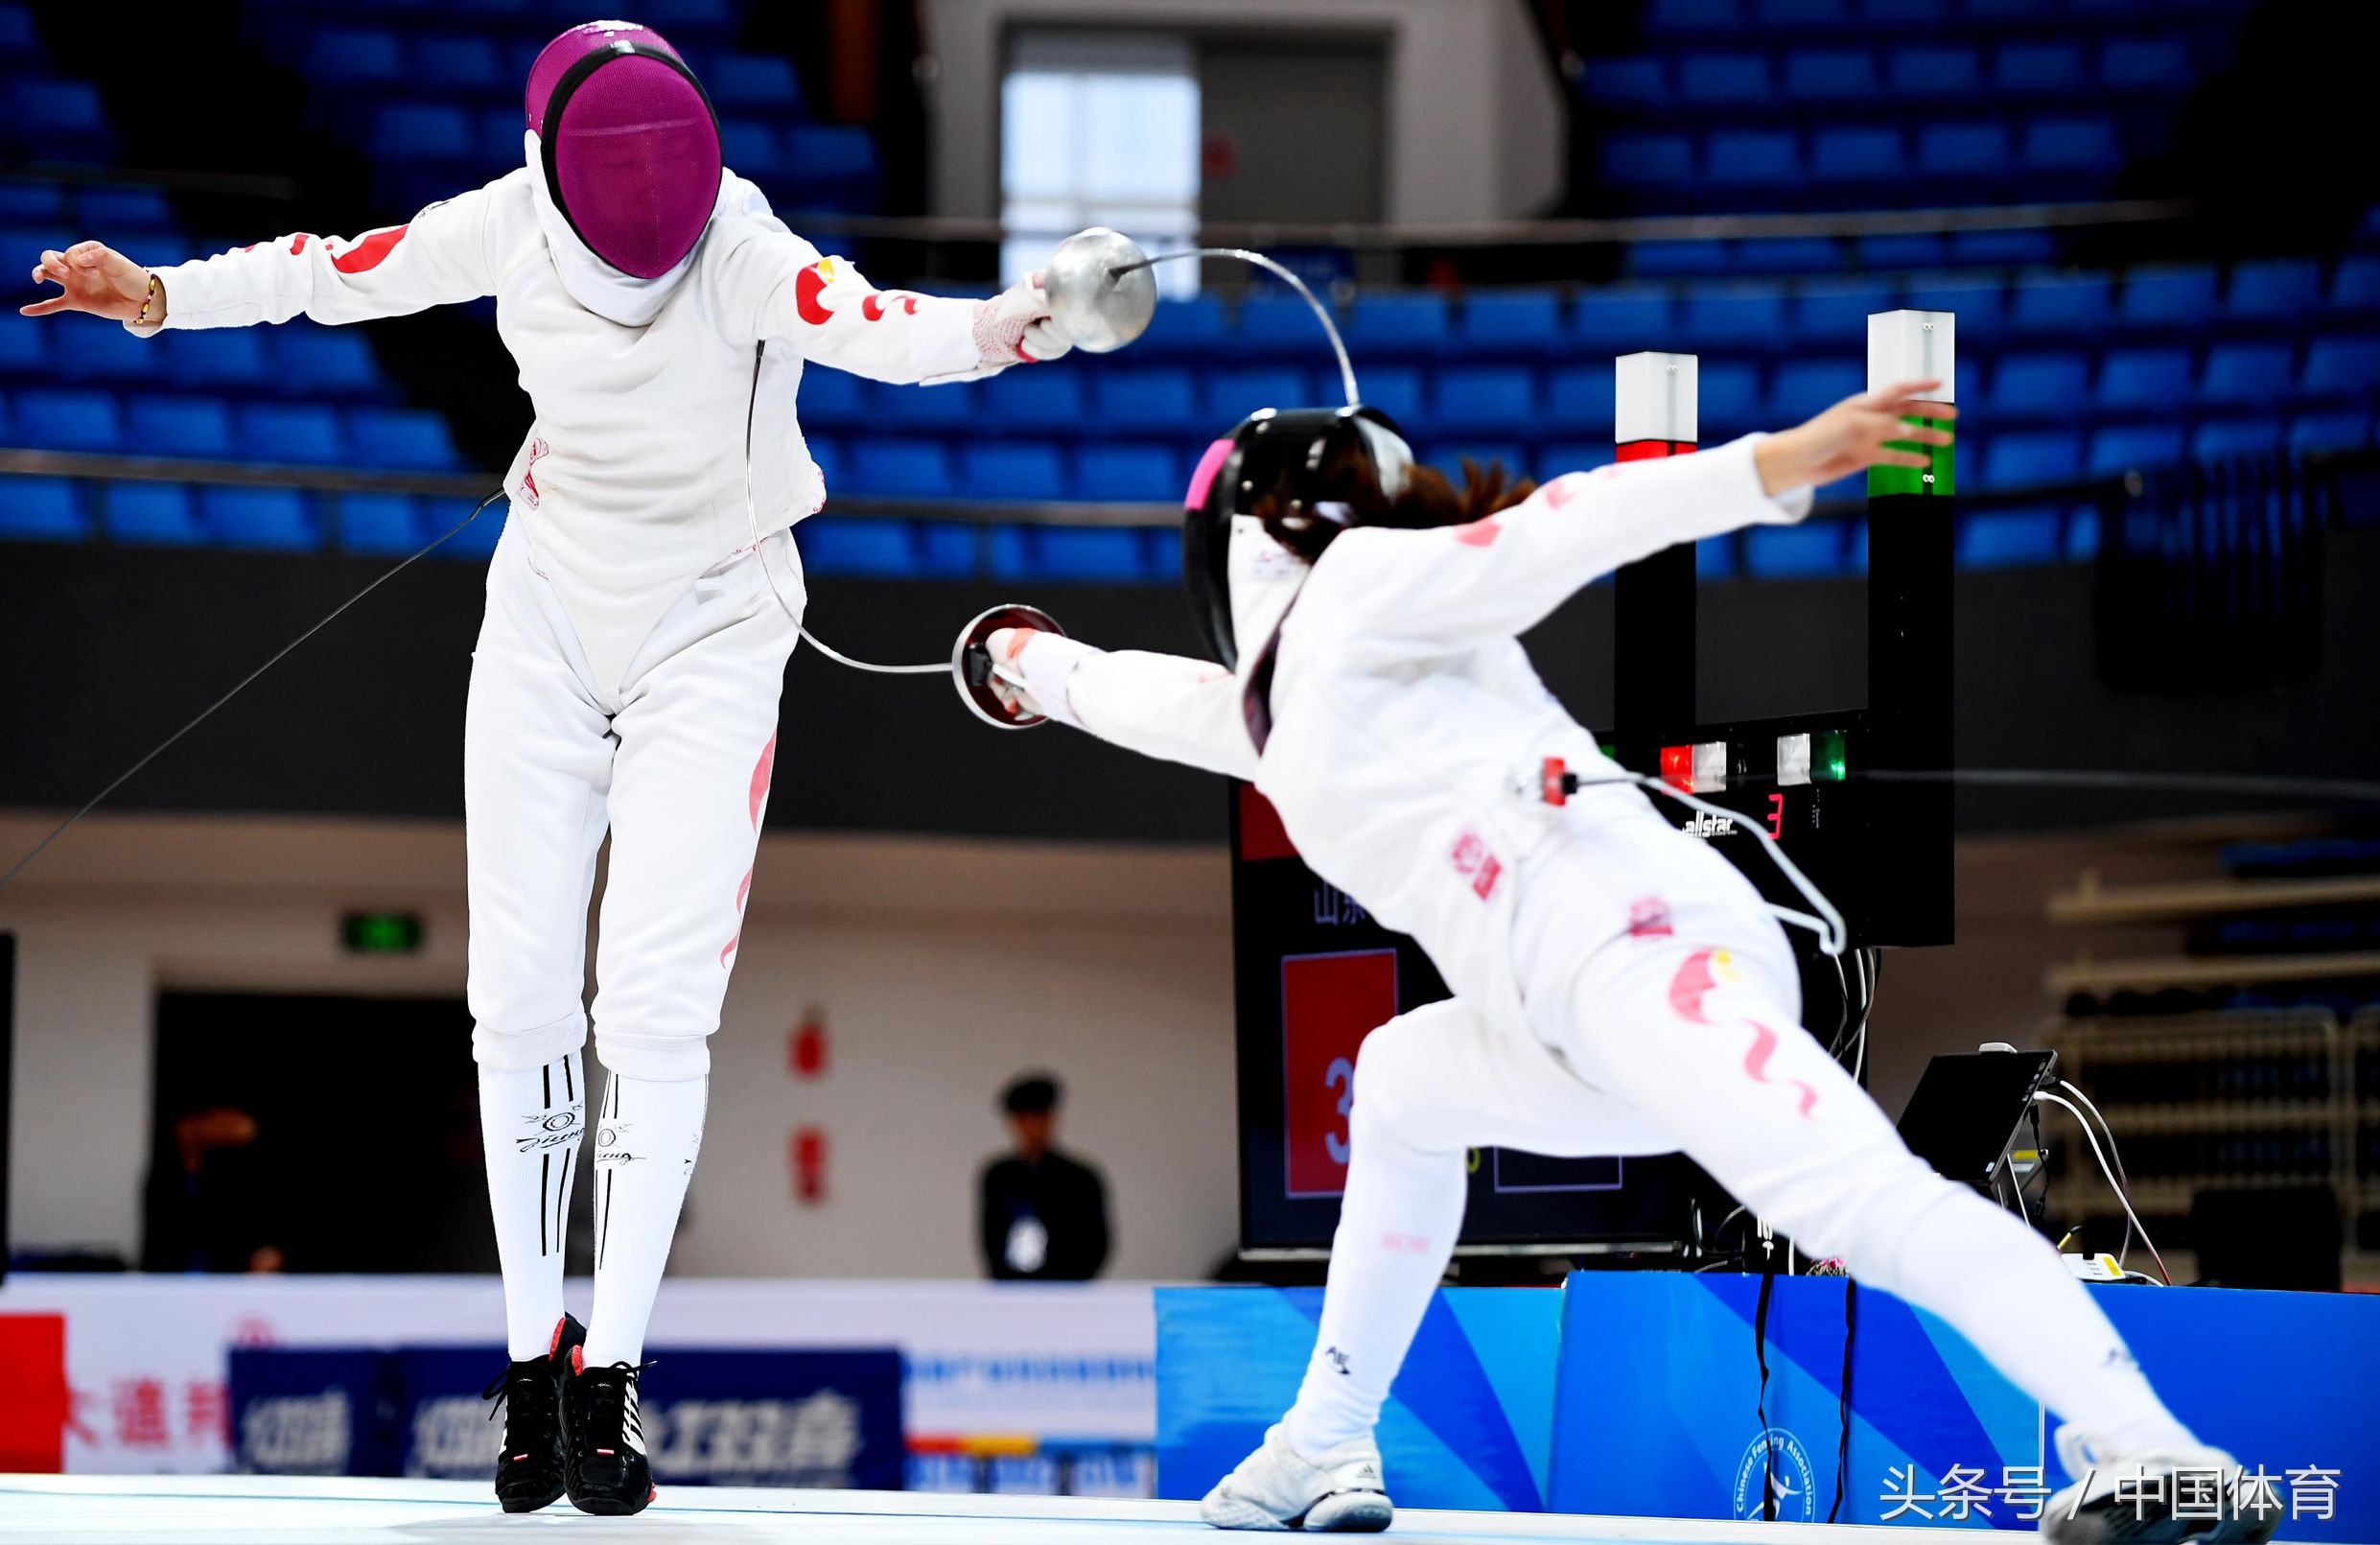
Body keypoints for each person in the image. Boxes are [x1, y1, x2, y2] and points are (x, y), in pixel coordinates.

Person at [20, 19, 1073, 1517]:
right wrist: (161, 298)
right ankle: (530, 1361)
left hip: (716, 622)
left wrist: (1027, 313)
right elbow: (330, 270)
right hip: (551, 608)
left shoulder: (740, 242)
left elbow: (894, 330)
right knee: (515, 995)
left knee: (651, 1007)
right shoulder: (515, 220)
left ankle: (612, 1374)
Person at [978, 391, 2276, 1543]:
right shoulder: (1272, 706)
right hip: (1559, 1023)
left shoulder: (1365, 588)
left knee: (1862, 1199)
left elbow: (1560, 526)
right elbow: (1130, 693)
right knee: (1400, 1077)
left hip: (1650, 952)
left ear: (1244, 535)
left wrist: (1772, 463)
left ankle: (2157, 1451)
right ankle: (1325, 1432)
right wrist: (1013, 663)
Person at [978, 1072, 1111, 1280]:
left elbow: (1096, 1243)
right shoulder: (999, 1176)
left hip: (1067, 1289)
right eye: (1025, 1120)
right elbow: (991, 1238)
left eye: (1040, 1118)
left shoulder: (1080, 1178)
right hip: (1012, 1289)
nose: (1033, 1128)